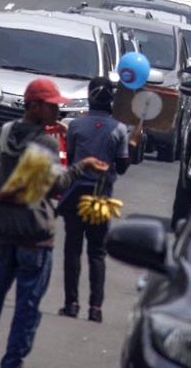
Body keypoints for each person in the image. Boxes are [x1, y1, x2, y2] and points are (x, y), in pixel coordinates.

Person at [0, 79, 110, 368]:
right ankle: (11, 363)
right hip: (34, 236)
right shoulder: (45, 144)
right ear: (34, 106)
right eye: (51, 106)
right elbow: (50, 188)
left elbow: (13, 175)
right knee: (26, 310)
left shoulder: (9, 132)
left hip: (3, 233)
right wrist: (81, 166)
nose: (57, 111)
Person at [58, 77, 142, 324]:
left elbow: (72, 158)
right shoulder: (118, 129)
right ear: (111, 100)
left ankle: (71, 304)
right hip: (102, 196)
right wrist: (135, 139)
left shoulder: (75, 125)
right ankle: (95, 308)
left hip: (75, 195)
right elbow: (123, 166)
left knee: (72, 249)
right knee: (97, 252)